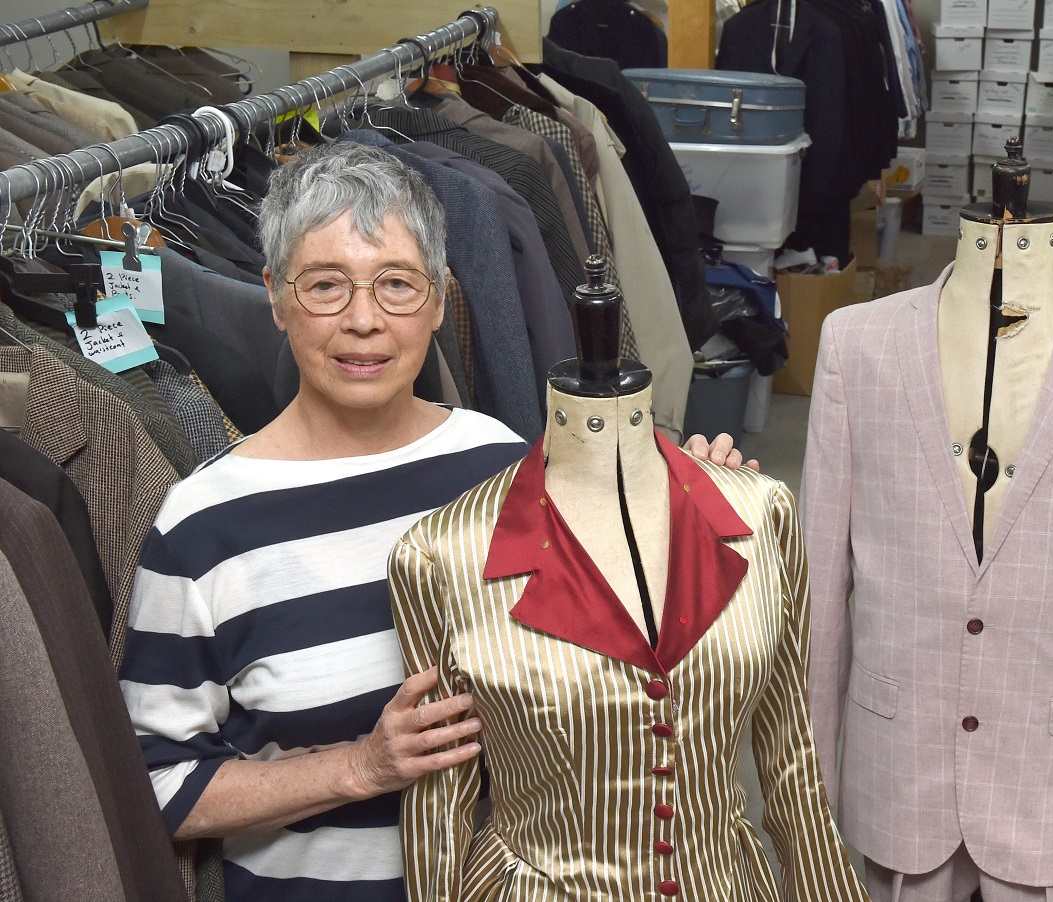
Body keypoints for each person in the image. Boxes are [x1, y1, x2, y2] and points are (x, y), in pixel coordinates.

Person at [117, 141, 748, 902]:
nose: (362, 321)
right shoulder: (203, 525)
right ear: (276, 299)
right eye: (324, 286)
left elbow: (620, 666)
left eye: (396, 285)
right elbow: (154, 788)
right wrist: (361, 768)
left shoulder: (503, 463)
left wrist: (702, 519)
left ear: (443, 300)